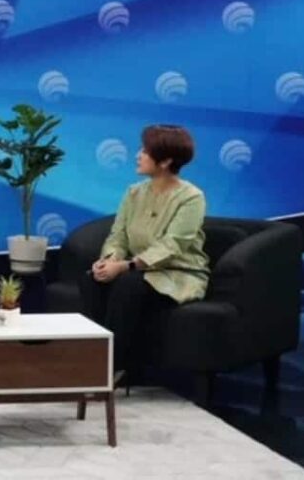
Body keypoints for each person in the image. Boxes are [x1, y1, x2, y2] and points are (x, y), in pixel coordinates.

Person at [78, 124, 210, 383]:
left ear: (166, 161)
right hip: (136, 269)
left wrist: (125, 267)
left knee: (128, 284)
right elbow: (118, 235)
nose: (138, 155)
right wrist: (109, 261)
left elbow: (172, 246)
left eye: (145, 151)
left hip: (176, 272)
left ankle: (116, 367)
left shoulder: (191, 197)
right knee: (92, 279)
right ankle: (94, 358)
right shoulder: (134, 193)